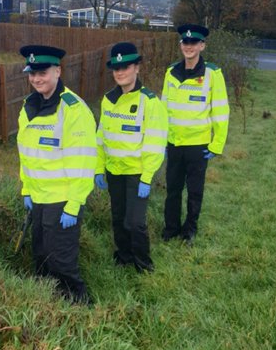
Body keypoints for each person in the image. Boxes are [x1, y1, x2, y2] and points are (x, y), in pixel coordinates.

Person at [16, 44, 98, 303]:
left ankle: (78, 306)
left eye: (43, 72)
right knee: (39, 255)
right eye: (32, 73)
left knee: (61, 260)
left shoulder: (74, 110)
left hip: (62, 200)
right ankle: (46, 303)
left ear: (58, 71)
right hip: (38, 198)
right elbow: (26, 155)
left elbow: (84, 162)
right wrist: (27, 189)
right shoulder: (29, 106)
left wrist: (74, 205)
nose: (37, 79)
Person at [94, 42, 168, 273]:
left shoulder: (150, 102)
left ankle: (144, 265)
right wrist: (98, 168)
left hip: (137, 173)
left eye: (126, 67)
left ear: (137, 68)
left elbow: (155, 142)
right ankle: (124, 257)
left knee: (134, 222)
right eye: (116, 68)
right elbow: (100, 138)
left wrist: (147, 177)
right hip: (114, 172)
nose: (120, 72)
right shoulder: (108, 100)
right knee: (118, 219)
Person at [161, 24, 230, 243]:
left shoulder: (213, 74)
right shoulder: (171, 72)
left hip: (198, 146)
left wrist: (216, 144)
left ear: (202, 46)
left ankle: (189, 230)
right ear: (181, 45)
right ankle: (171, 229)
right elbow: (163, 109)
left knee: (194, 191)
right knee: (172, 190)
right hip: (174, 143)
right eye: (185, 43)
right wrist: (160, 140)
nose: (188, 47)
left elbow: (220, 110)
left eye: (193, 43)